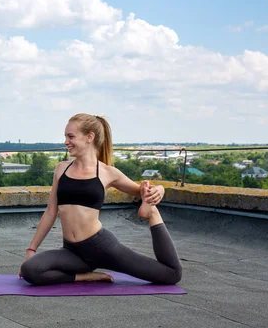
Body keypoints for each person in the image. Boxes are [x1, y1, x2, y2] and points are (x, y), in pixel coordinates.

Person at [19, 113, 182, 286]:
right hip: (72, 252)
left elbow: (142, 192)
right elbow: (51, 212)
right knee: (31, 270)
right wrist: (31, 249)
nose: (66, 141)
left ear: (90, 137)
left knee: (171, 275)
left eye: (71, 136)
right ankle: (85, 276)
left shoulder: (107, 172)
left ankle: (152, 214)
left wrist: (160, 189)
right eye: (65, 136)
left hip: (102, 248)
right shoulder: (61, 169)